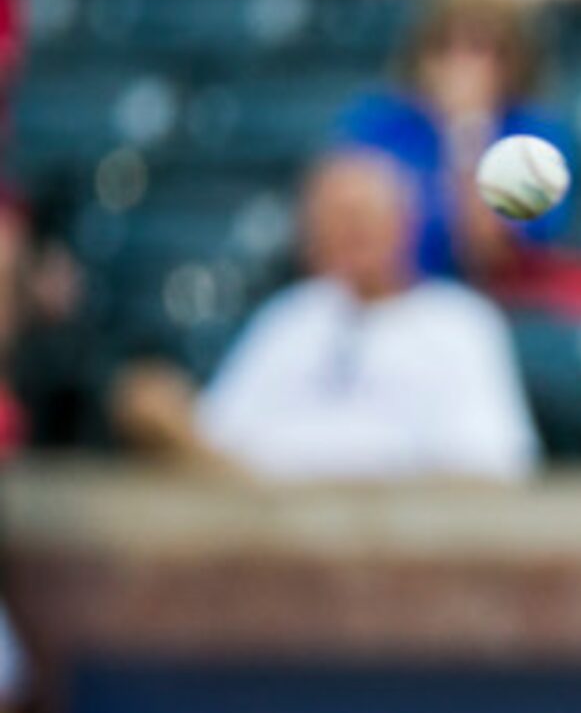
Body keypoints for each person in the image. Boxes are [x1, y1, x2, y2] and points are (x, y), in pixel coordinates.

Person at [106, 153, 538, 483]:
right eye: (330, 220)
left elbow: (495, 468)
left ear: (404, 223)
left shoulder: (460, 323)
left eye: (359, 218)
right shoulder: (291, 315)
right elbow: (221, 436)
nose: (346, 234)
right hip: (269, 525)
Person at [332, 0, 574, 292]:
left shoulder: (535, 139)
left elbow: (489, 257)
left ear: (514, 59)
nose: (459, 65)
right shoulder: (379, 123)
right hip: (383, 299)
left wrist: (468, 130)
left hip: (476, 308)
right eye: (443, 46)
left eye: (479, 48)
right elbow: (340, 239)